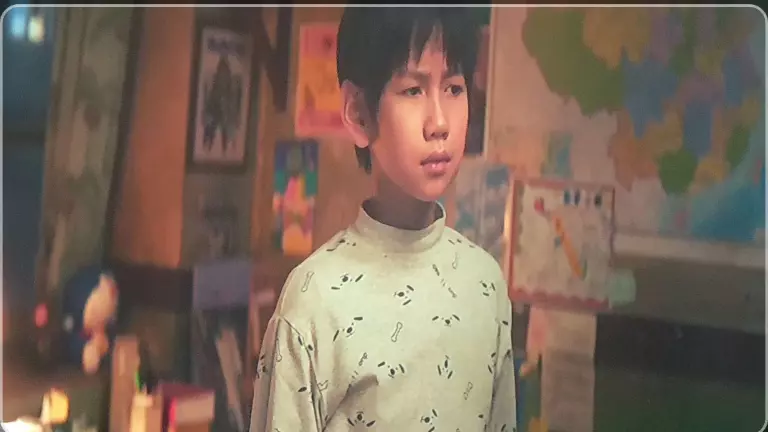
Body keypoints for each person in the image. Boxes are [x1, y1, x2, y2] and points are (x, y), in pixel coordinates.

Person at [250, 7, 517, 431]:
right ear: (359, 113)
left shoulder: (486, 285)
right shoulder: (315, 299)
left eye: (454, 87)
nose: (439, 123)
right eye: (412, 90)